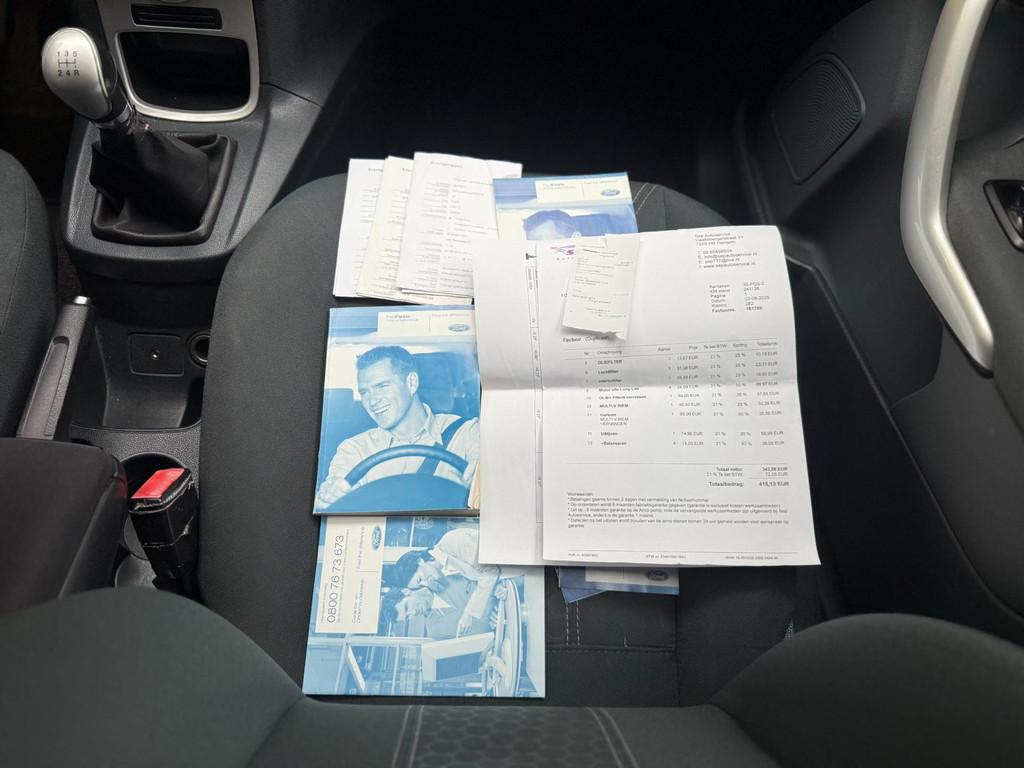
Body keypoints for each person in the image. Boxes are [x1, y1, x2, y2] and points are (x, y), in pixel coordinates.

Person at [314, 346, 479, 509]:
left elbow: (482, 461)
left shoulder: (465, 432)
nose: (372, 401)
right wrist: (331, 496)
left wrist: (482, 468)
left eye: (382, 387)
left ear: (411, 383)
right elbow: (339, 487)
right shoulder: (354, 449)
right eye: (364, 393)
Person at [388, 526, 501, 637]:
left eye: (420, 579)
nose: (426, 584)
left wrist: (469, 613)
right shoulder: (443, 575)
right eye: (420, 585)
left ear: (420, 561)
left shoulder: (451, 542)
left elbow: (491, 569)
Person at [381, 577, 493, 639]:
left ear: (406, 591)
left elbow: (483, 577)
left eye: (407, 607)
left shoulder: (440, 576)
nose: (413, 612)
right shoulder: (435, 632)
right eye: (408, 617)